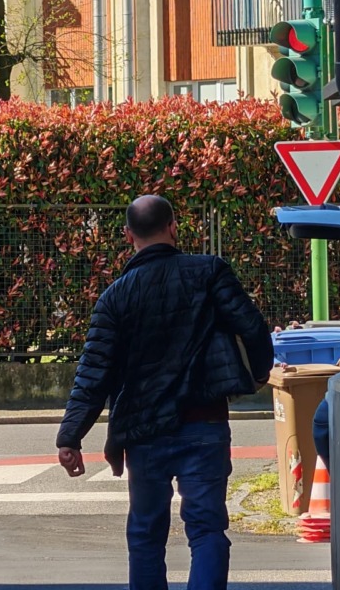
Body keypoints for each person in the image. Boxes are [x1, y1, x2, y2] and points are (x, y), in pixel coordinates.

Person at [56, 194, 273, 590]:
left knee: (145, 536)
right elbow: (252, 326)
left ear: (128, 236)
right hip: (204, 423)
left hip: (144, 433)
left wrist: (71, 435)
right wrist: (259, 374)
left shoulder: (115, 298)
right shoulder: (209, 272)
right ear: (173, 227)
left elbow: (94, 372)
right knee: (207, 529)